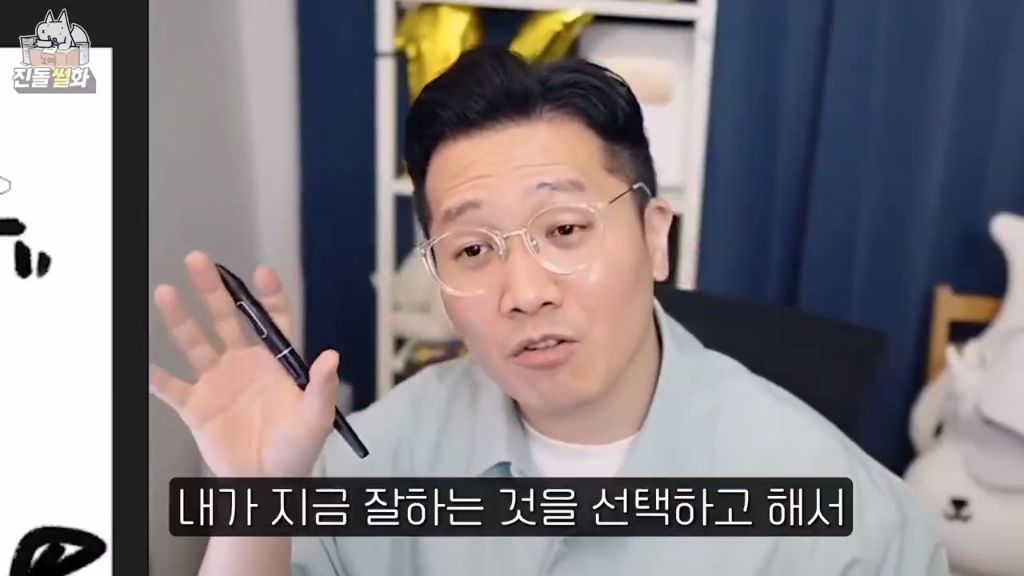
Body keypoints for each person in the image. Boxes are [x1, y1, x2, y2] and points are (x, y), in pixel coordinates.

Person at [149, 47, 949, 576]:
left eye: (565, 230)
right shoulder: (375, 459)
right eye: (472, 249)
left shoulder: (851, 520)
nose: (524, 291)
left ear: (655, 237)